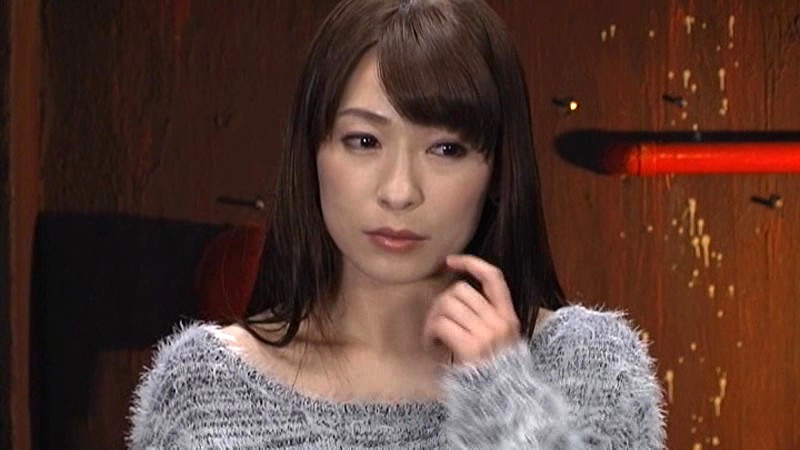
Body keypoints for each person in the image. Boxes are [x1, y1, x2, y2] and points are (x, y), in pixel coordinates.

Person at [127, 0, 667, 448]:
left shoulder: (587, 365)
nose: (400, 191)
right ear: (312, 153)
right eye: (364, 141)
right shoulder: (206, 388)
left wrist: (506, 403)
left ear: (498, 171)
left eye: (446, 148)